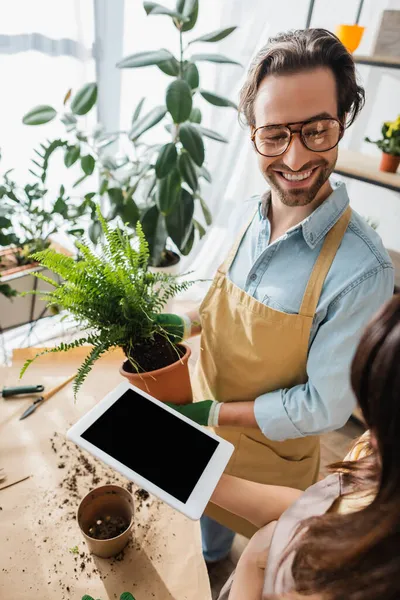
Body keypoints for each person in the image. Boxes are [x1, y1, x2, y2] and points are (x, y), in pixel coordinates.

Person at [157, 28, 394, 562]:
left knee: (263, 545)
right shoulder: (246, 213)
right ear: (252, 134)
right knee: (203, 540)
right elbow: (223, 308)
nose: (294, 158)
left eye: (316, 130)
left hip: (272, 457)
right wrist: (183, 324)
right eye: (274, 135)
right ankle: (211, 556)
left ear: (344, 119)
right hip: (205, 419)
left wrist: (213, 414)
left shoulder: (362, 269)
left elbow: (324, 406)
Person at [210, 293, 400, 600]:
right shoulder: (375, 454)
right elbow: (315, 511)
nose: (370, 436)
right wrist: (203, 478)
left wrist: (253, 565)